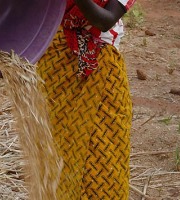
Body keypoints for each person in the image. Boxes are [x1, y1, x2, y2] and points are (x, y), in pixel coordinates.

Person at [37, 0, 135, 199]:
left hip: (99, 65)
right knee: (59, 144)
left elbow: (104, 21)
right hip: (56, 58)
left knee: (102, 151)